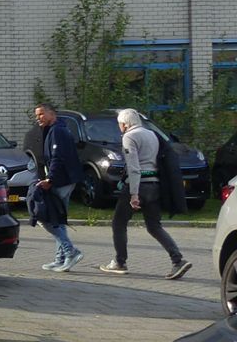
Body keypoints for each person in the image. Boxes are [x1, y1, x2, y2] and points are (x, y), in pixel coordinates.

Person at [100, 108, 192, 279]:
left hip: (138, 185)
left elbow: (134, 167)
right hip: (155, 184)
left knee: (119, 223)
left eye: (120, 124)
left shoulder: (129, 137)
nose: (119, 127)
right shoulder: (151, 134)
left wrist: (134, 194)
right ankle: (177, 259)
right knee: (154, 226)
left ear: (125, 124)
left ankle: (120, 262)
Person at [30, 103, 82, 272]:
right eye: (37, 115)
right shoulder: (56, 129)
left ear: (52, 114)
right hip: (64, 179)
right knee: (57, 219)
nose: (38, 118)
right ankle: (60, 258)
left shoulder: (57, 131)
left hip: (61, 180)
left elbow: (58, 158)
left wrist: (50, 179)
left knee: (47, 219)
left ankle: (70, 252)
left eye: (41, 114)